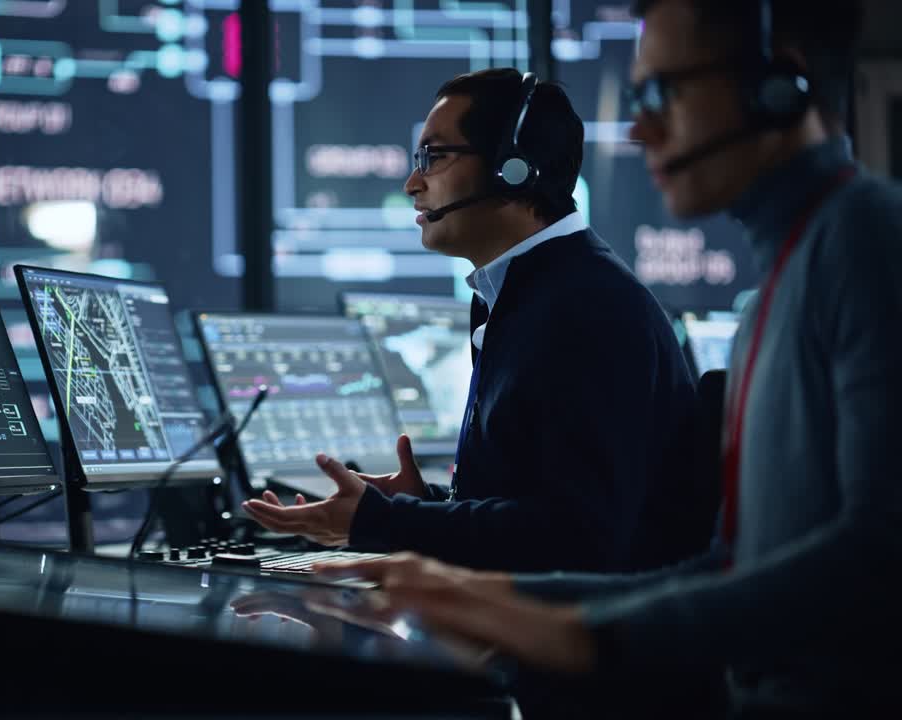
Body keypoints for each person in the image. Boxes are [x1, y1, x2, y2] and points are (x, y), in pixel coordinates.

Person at [319, 0, 902, 715]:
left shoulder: (864, 239)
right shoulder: (781, 282)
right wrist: (485, 595)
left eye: (665, 93)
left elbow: (878, 558)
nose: (639, 129)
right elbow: (727, 569)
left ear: (782, 83)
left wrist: (582, 635)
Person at [242, 68, 716, 576]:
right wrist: (428, 505)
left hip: (590, 648)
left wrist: (388, 522)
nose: (412, 183)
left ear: (513, 168)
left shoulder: (586, 310)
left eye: (434, 156)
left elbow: (577, 539)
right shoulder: (526, 291)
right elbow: (532, 507)